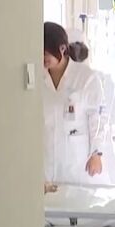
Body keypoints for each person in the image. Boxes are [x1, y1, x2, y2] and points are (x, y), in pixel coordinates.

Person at [42, 22, 110, 187]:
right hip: (46, 158)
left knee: (76, 198)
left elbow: (98, 118)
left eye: (46, 53)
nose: (42, 58)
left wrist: (96, 153)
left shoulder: (86, 77)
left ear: (62, 48)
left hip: (77, 160)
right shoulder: (37, 77)